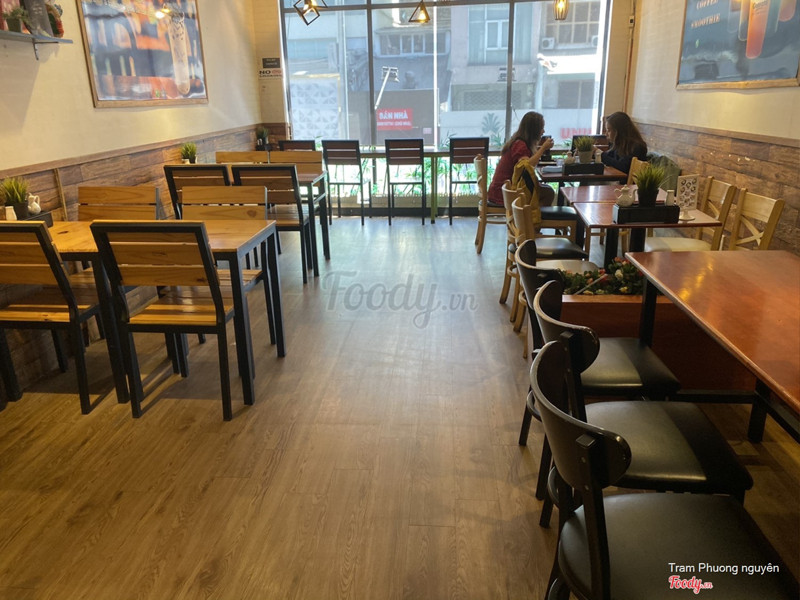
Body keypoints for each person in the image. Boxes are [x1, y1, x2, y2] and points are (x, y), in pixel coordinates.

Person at [488, 111, 555, 207]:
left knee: (546, 190)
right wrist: (543, 148)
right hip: (503, 194)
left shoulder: (518, 142)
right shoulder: (520, 145)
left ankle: (530, 215)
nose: (543, 131)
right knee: (548, 193)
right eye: (541, 128)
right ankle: (529, 215)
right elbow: (525, 167)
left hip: (501, 189)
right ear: (534, 130)